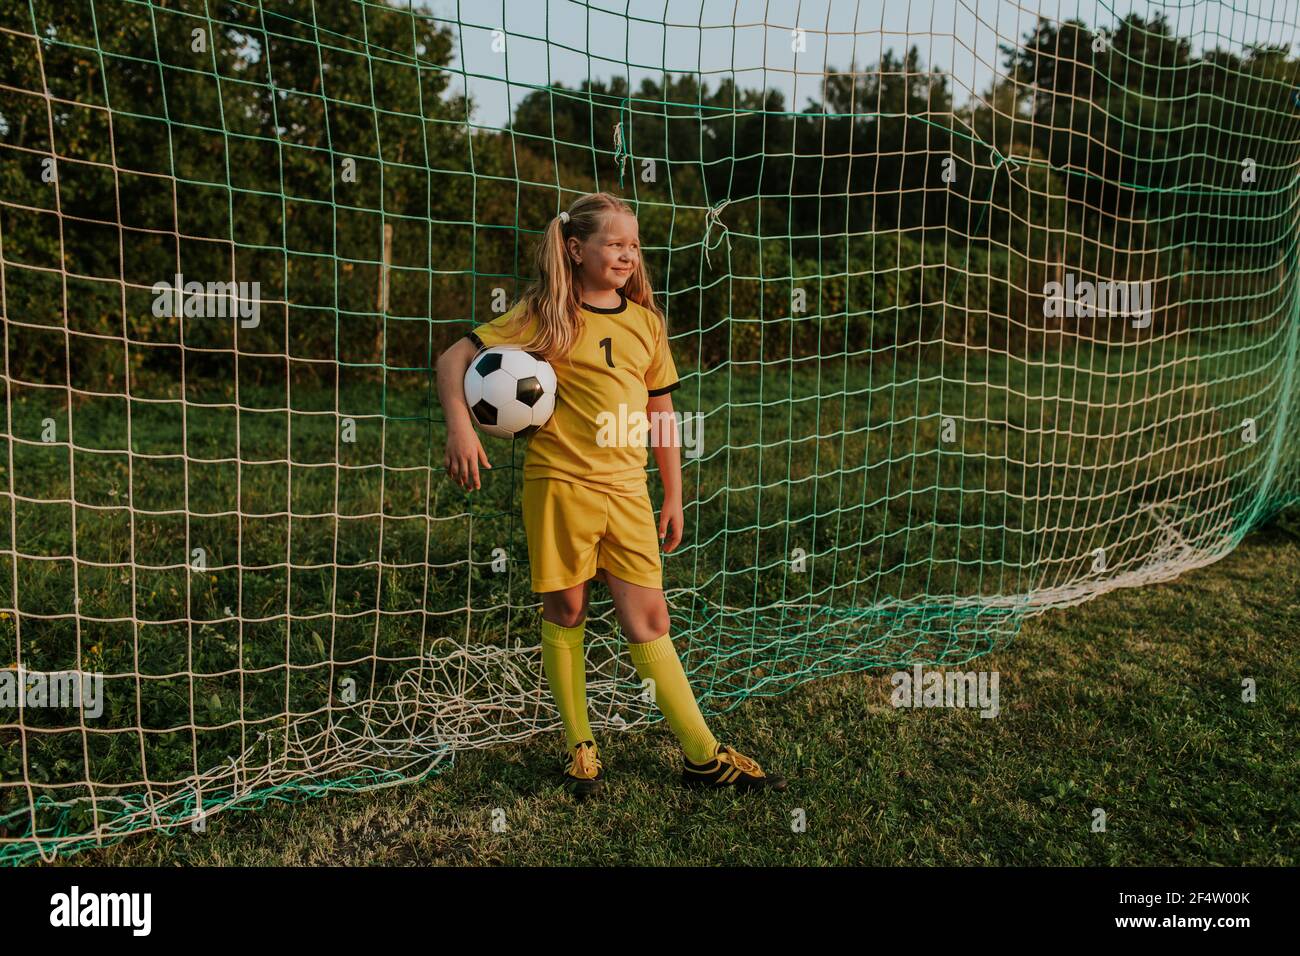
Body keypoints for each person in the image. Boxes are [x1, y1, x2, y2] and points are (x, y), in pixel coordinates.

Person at [435, 191, 786, 798]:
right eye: (614, 244)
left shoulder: (647, 323)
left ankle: (702, 755)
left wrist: (672, 493)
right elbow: (453, 358)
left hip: (628, 493)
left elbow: (662, 412)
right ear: (575, 249)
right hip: (560, 488)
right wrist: (461, 426)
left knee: (649, 619)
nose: (628, 255)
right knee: (567, 611)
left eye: (633, 245)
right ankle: (580, 747)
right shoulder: (546, 314)